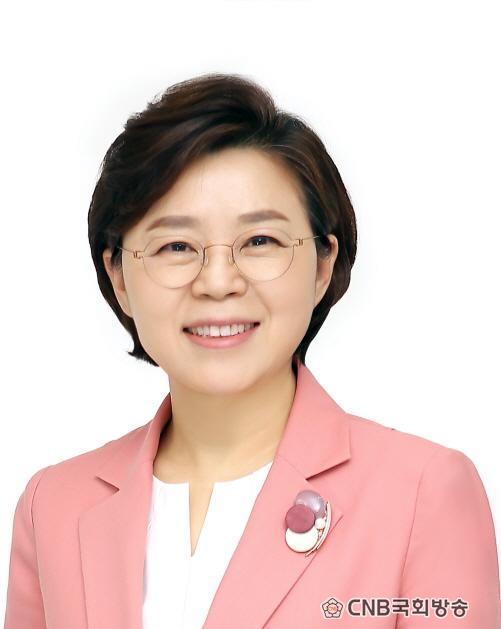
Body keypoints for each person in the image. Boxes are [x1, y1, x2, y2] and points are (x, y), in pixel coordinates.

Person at [4, 72, 501, 629]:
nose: (218, 282)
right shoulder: (53, 505)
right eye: (176, 246)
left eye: (260, 241)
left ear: (322, 265)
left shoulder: (423, 494)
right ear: (119, 277)